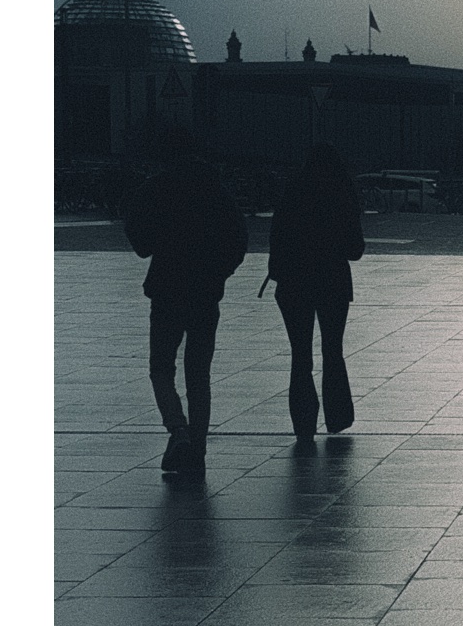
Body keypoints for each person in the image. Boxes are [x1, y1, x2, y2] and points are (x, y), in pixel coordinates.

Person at [124, 143, 248, 482]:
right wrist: (220, 272)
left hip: (166, 289)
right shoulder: (216, 191)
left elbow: (139, 240)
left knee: (161, 367)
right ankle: (199, 447)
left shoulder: (157, 189)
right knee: (199, 374)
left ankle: (177, 429)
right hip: (206, 293)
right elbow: (239, 239)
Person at [266, 143, 365, 440]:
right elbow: (355, 249)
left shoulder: (293, 192)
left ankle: (304, 425)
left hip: (295, 283)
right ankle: (337, 417)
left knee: (300, 354)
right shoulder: (342, 194)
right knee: (333, 350)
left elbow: (277, 237)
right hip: (332, 281)